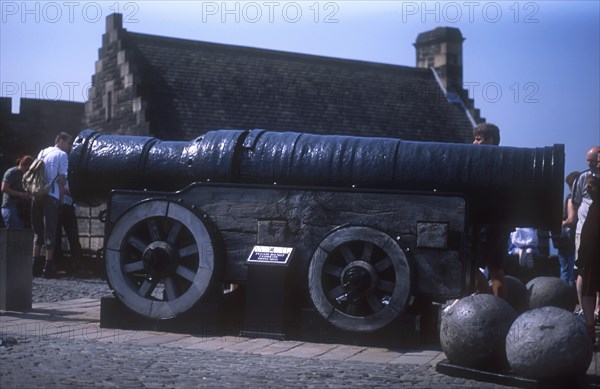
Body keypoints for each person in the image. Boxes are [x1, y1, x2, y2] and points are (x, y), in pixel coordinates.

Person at [472, 123, 508, 299]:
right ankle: (501, 309)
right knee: (497, 272)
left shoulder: (484, 163)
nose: (474, 143)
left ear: (490, 141)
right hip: (502, 224)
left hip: (488, 224)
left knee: (469, 266)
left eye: (478, 139)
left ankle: (488, 306)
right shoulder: (506, 161)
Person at [31, 132, 72, 278]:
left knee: (37, 231)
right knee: (51, 232)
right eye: (68, 143)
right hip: (51, 195)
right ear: (61, 141)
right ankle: (48, 268)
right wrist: (61, 199)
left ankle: (35, 265)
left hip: (37, 194)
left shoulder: (42, 152)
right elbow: (62, 180)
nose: (69, 146)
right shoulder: (62, 155)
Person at [571, 147, 600, 319]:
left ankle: (595, 311)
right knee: (582, 269)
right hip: (585, 230)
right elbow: (576, 203)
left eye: (593, 159)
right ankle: (585, 309)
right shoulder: (583, 177)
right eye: (588, 160)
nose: (591, 163)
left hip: (589, 229)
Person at [576, 172, 599, 343]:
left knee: (588, 289)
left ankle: (590, 327)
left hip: (592, 254)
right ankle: (590, 326)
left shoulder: (595, 210)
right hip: (591, 252)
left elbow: (588, 236)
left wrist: (582, 257)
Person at [552, 171, 580, 288]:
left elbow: (570, 220)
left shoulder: (571, 198)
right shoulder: (581, 199)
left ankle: (564, 299)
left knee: (565, 271)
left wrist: (559, 223)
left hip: (566, 241)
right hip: (575, 239)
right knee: (573, 272)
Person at [1, 155, 33, 228]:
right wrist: (21, 194)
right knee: (15, 233)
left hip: (20, 208)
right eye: (26, 169)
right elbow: (4, 188)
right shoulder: (11, 172)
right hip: (10, 207)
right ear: (22, 165)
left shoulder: (26, 175)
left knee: (21, 233)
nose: (27, 171)